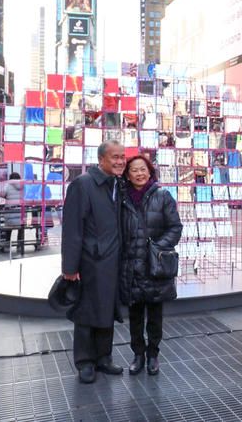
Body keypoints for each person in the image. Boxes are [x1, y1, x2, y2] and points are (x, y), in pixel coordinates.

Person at [61, 141, 126, 384]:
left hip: (112, 260)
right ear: (101, 160)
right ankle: (85, 361)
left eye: (122, 156)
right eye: (114, 157)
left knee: (107, 310)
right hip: (91, 260)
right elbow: (72, 228)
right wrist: (70, 266)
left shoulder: (117, 184)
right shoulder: (83, 184)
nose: (120, 161)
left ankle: (103, 357)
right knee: (87, 311)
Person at [120, 155, 182, 376]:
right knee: (135, 316)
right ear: (128, 174)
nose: (139, 173)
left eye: (142, 169)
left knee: (155, 315)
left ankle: (153, 355)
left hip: (154, 267)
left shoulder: (162, 196)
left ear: (149, 172)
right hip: (130, 267)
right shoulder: (122, 197)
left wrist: (156, 248)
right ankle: (138, 355)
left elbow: (175, 228)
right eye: (134, 170)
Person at [0, 172, 25, 250]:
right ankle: (20, 246)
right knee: (21, 228)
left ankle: (7, 245)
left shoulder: (8, 184)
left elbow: (2, 194)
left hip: (10, 210)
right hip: (21, 211)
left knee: (8, 229)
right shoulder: (23, 185)